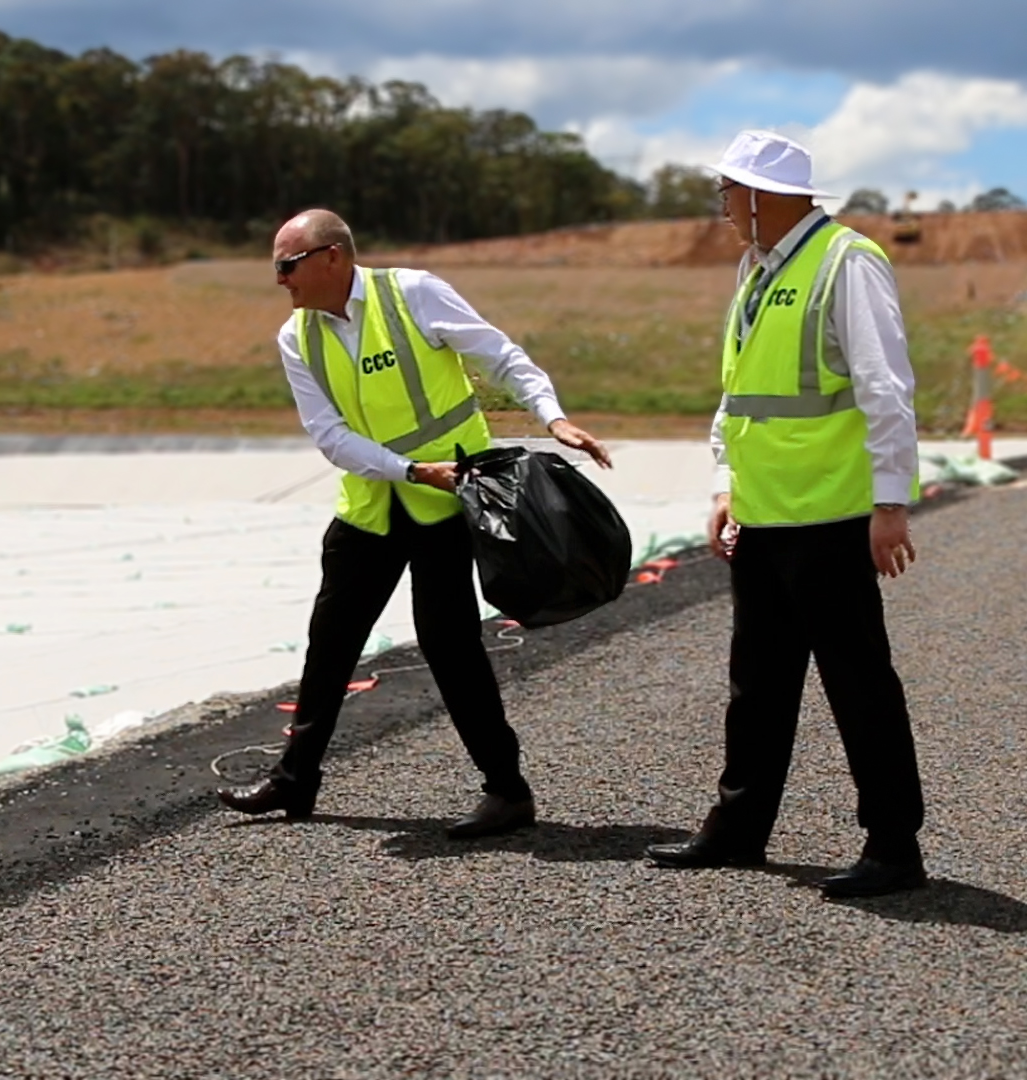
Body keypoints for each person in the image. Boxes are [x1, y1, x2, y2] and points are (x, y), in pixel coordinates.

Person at [215, 209, 612, 837]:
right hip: (376, 502)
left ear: (332, 258)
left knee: (449, 643)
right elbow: (330, 437)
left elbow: (500, 354)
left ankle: (508, 791)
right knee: (331, 639)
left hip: (449, 502)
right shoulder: (297, 338)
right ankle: (296, 782)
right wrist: (408, 470)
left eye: (287, 266)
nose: (280, 280)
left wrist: (551, 415)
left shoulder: (414, 293)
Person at [645, 130, 928, 898]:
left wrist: (890, 503)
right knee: (758, 685)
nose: (724, 207)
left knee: (858, 682)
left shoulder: (848, 262)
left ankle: (895, 846)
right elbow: (738, 398)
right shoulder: (758, 270)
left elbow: (884, 386)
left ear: (762, 197)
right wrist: (723, 486)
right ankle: (739, 829)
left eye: (728, 192)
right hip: (765, 516)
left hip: (832, 518)